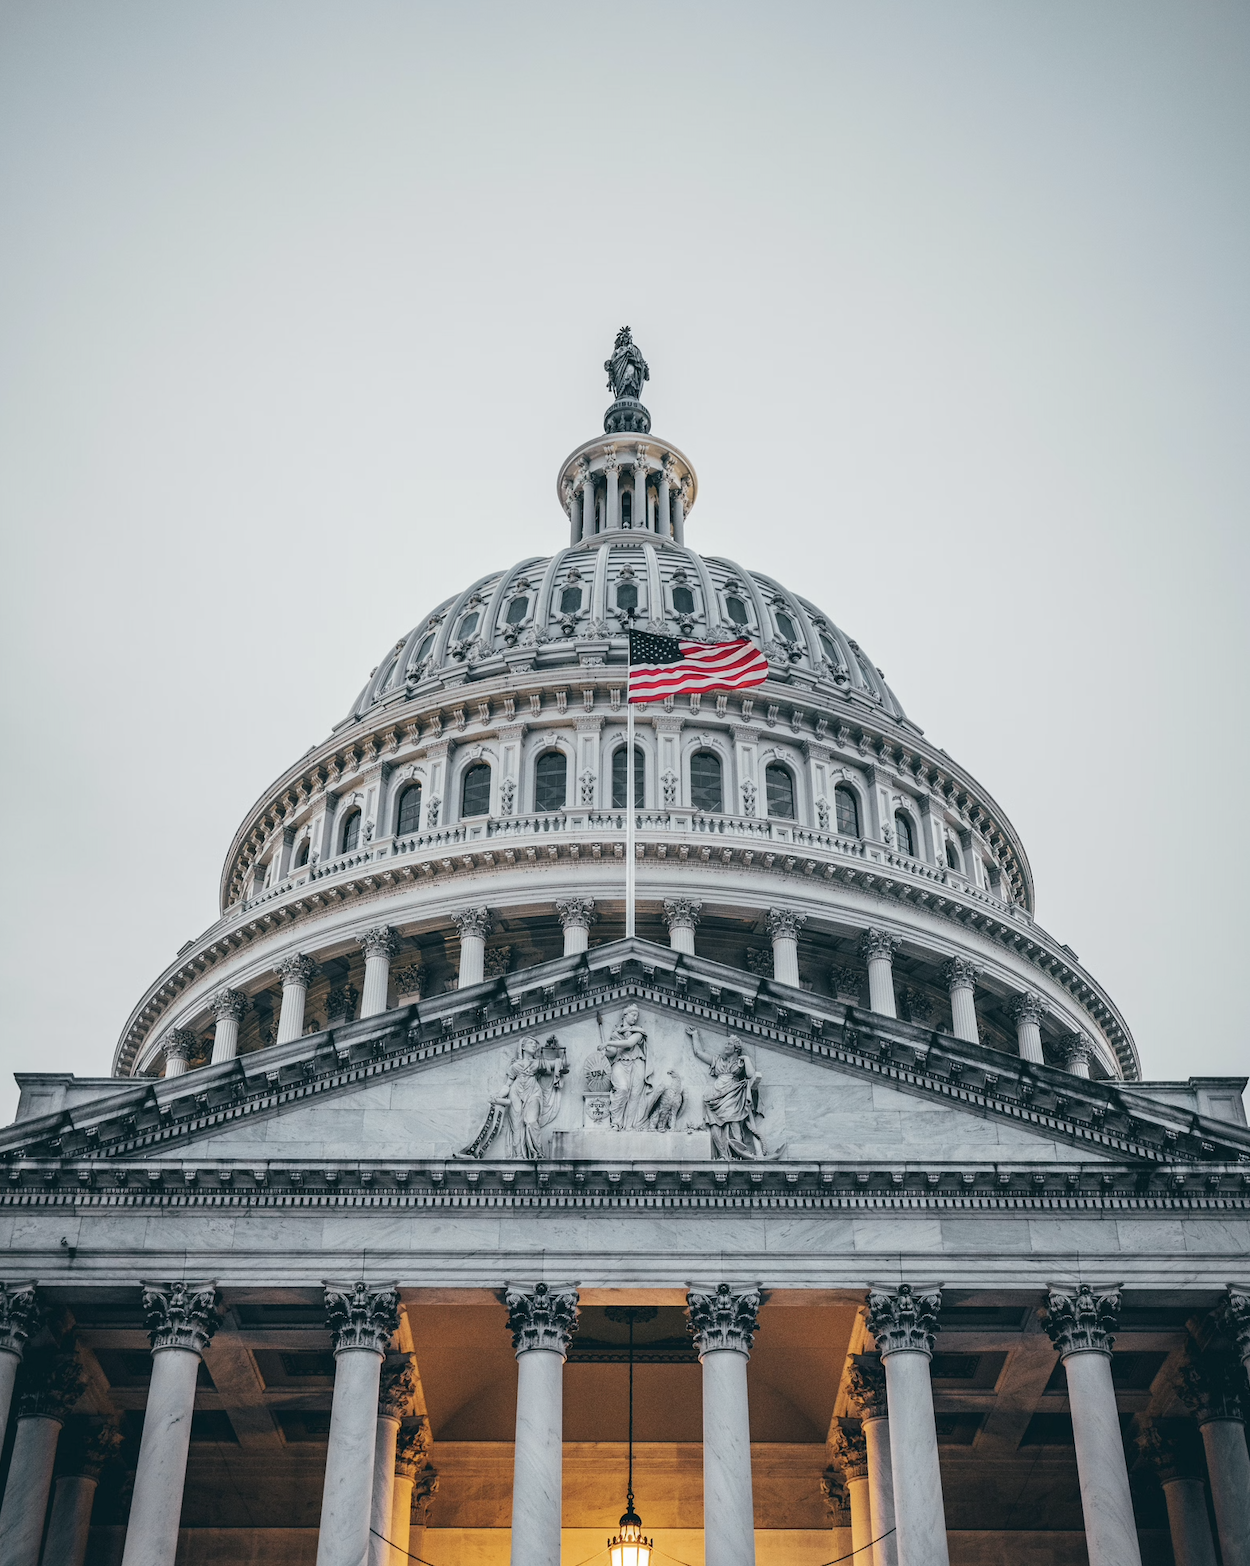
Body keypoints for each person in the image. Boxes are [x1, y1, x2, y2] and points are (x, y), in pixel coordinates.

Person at [685, 1025, 767, 1160]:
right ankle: (723, 1154)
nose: (725, 1046)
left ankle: (738, 1154)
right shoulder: (718, 1061)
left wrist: (746, 1058)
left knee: (735, 1125)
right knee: (715, 1127)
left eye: (729, 1043)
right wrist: (694, 1035)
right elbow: (698, 1052)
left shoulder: (740, 1064)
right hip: (715, 1097)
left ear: (736, 1048)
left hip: (733, 1095)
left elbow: (751, 1075)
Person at [603, 1004, 652, 1130]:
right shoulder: (615, 1033)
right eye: (633, 1015)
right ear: (625, 1015)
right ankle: (616, 1123)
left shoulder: (638, 1031)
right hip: (620, 1062)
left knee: (635, 1095)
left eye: (637, 1016)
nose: (635, 1018)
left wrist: (607, 1042)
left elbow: (629, 1043)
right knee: (622, 1088)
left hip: (637, 1062)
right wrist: (603, 1052)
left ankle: (630, 1126)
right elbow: (613, 1052)